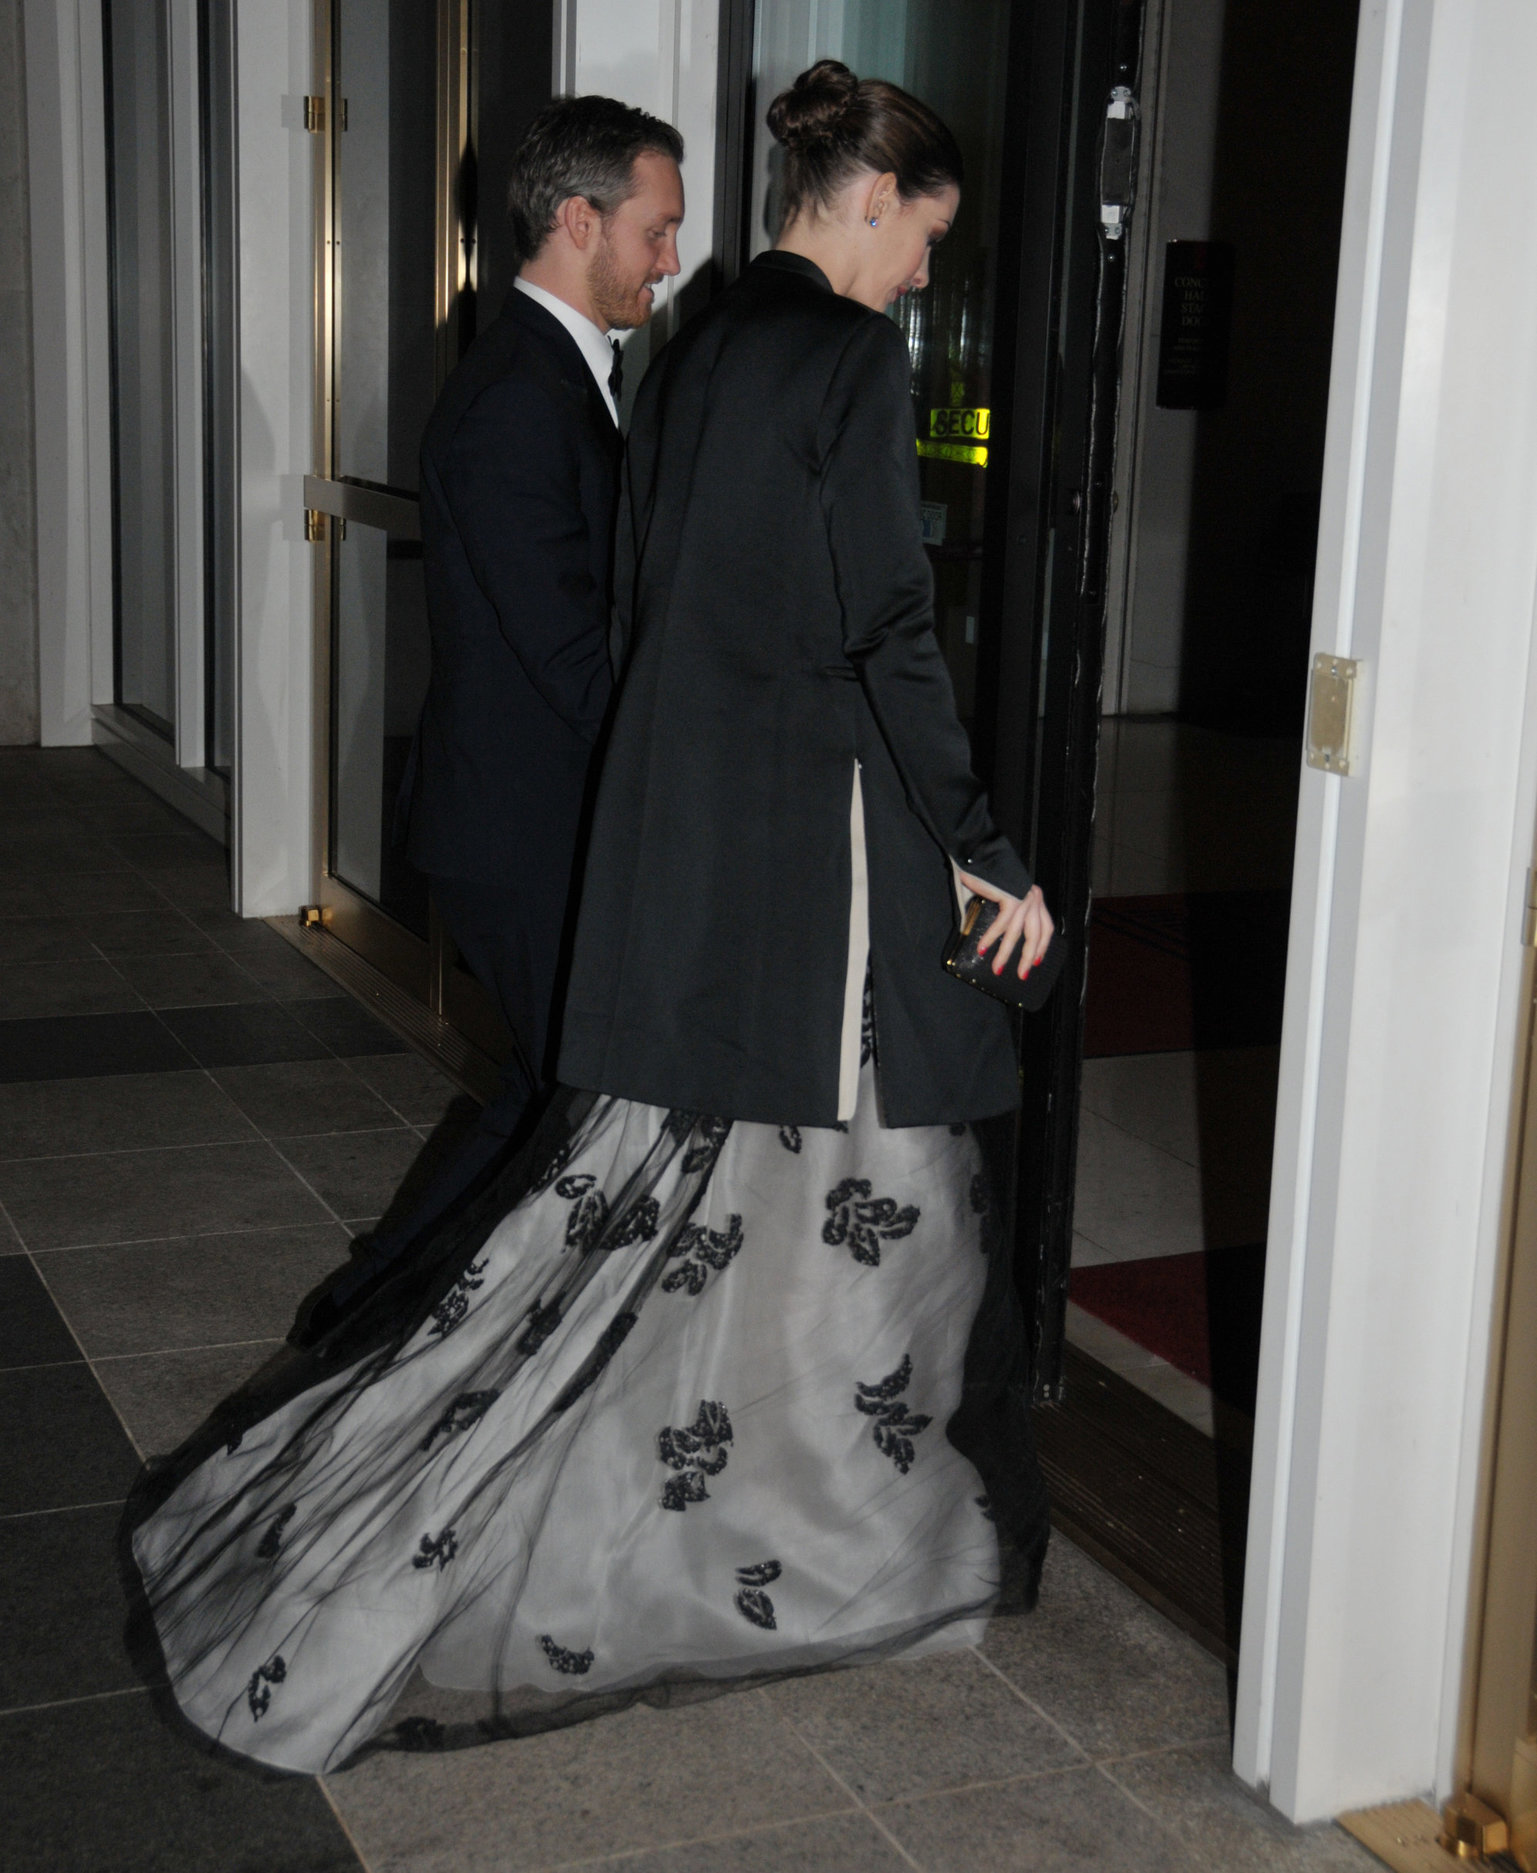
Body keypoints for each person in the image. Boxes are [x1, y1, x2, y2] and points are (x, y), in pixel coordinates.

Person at [128, 60, 1053, 1777]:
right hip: (812, 863)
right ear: (868, 198)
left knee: (654, 1204)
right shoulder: (847, 357)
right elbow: (886, 629)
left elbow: (650, 614)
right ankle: (805, 1515)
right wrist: (985, 846)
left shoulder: (694, 342)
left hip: (702, 860)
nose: (925, 272)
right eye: (924, 236)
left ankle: (636, 1490)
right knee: (837, 1199)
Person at [305, 98, 686, 1338]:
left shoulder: (563, 376)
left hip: (531, 816)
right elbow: (569, 651)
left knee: (550, 1089)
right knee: (560, 1090)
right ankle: (373, 1324)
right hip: (522, 829)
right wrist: (687, 768)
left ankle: (382, 1320)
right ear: (580, 220)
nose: (670, 257)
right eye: (655, 229)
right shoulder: (519, 395)